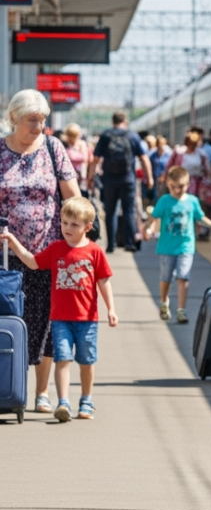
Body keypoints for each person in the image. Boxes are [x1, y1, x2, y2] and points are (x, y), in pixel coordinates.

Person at [0, 90, 80, 415]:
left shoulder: (53, 147)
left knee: (46, 320)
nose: (40, 126)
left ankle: (42, 392)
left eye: (43, 119)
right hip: (5, 254)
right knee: (9, 317)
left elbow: (72, 195)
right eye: (33, 120)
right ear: (14, 118)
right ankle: (7, 385)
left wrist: (80, 232)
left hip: (48, 252)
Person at [0, 197, 115, 421]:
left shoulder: (94, 252)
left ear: (87, 227)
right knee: (62, 359)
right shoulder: (56, 249)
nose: (67, 228)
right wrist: (13, 243)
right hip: (60, 319)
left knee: (86, 362)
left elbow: (103, 281)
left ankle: (86, 400)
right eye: (64, 223)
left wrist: (111, 309)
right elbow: (33, 262)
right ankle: (63, 402)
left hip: (87, 320)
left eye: (74, 224)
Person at [145, 167, 211, 324]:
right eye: (173, 187)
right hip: (166, 247)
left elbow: (200, 217)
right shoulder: (164, 200)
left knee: (183, 276)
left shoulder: (192, 201)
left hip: (186, 247)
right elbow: (155, 217)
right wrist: (148, 228)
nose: (177, 190)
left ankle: (181, 309)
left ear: (188, 184)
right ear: (168, 184)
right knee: (166, 277)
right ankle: (164, 303)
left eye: (181, 186)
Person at [92, 110, 152, 253]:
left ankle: (111, 244)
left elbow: (95, 159)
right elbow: (144, 158)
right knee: (129, 211)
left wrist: (90, 178)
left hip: (109, 180)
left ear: (113, 122)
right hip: (128, 179)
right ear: (125, 121)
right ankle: (130, 243)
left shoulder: (106, 135)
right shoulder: (132, 135)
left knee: (110, 211)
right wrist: (149, 177)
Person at [63, 123, 93, 196]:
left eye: (75, 135)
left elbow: (85, 161)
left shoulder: (82, 144)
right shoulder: (64, 144)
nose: (74, 137)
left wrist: (86, 177)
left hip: (81, 175)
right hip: (67, 176)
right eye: (71, 135)